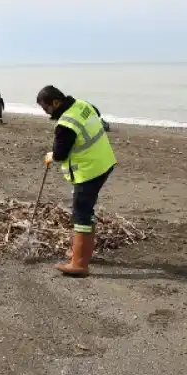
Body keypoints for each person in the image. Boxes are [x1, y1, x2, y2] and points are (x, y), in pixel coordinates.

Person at [37, 85, 117, 276]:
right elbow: (96, 114)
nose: (46, 113)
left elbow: (60, 153)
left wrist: (51, 155)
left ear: (56, 103)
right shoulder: (82, 105)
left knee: (81, 214)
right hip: (104, 162)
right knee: (85, 211)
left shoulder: (66, 124)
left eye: (46, 108)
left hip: (89, 171)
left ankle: (79, 263)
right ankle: (83, 252)